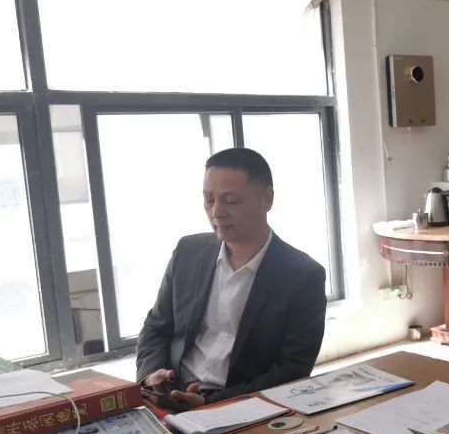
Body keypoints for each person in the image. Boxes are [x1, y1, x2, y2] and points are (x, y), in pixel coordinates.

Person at [135, 148, 326, 411]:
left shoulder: (302, 275)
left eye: (231, 201)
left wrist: (212, 403)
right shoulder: (187, 252)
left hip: (242, 406)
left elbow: (293, 369)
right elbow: (157, 326)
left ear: (267, 199)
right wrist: (151, 376)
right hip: (170, 395)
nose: (217, 212)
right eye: (209, 199)